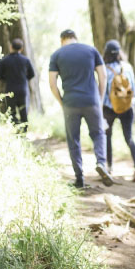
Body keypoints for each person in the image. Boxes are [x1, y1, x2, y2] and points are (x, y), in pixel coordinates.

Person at [49, 29, 114, 189]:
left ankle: (79, 178)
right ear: (75, 38)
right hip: (91, 100)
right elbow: (103, 75)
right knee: (98, 134)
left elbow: (52, 83)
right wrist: (99, 98)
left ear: (62, 40)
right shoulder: (91, 50)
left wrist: (61, 101)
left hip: (70, 103)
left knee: (74, 140)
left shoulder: (57, 55)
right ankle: (101, 163)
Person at [103, 39, 135, 182]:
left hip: (108, 108)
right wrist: (132, 103)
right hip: (127, 107)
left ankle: (108, 166)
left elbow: (102, 91)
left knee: (107, 136)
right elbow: (133, 88)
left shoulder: (104, 69)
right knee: (129, 137)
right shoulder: (127, 67)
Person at [0, 38, 35, 132]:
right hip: (23, 89)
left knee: (11, 112)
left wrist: (7, 79)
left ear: (11, 47)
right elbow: (32, 74)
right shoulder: (25, 60)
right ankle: (24, 131)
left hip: (10, 89)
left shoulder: (4, 61)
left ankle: (17, 128)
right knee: (23, 111)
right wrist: (24, 79)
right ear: (21, 48)